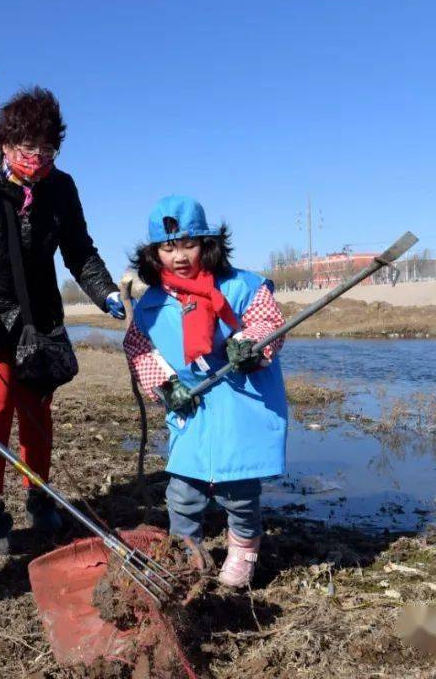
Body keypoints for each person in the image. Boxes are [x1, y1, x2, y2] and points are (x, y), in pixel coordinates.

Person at [0, 87, 125, 554]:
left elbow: (80, 251)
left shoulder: (61, 188)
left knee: (36, 414)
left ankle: (38, 493)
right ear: (7, 142)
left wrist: (105, 291)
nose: (38, 158)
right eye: (27, 148)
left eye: (48, 148)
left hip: (39, 321)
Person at [123, 195, 288, 588]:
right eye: (168, 247)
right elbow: (137, 347)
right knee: (183, 491)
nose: (179, 256)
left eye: (188, 244)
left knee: (239, 490)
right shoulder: (152, 303)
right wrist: (167, 386)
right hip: (192, 407)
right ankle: (187, 555)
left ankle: (244, 550)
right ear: (154, 253)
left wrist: (250, 345)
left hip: (240, 403)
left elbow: (269, 322)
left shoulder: (242, 286)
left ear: (208, 244)